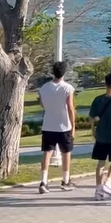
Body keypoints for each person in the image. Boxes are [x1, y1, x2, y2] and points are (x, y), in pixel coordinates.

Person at [37, 61, 76, 194]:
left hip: (48, 125)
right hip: (64, 126)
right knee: (66, 154)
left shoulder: (44, 88)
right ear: (64, 72)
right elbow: (70, 108)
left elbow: (43, 104)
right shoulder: (67, 88)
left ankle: (44, 181)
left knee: (47, 153)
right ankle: (65, 181)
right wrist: (73, 126)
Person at [89, 72, 111, 200]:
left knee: (100, 162)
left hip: (101, 136)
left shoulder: (97, 100)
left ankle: (98, 189)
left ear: (105, 83)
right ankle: (108, 182)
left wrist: (93, 130)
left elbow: (91, 117)